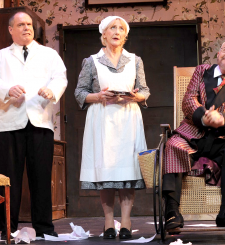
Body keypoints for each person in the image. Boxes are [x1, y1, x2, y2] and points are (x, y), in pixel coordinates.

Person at [0, 12, 67, 240]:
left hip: (40, 121)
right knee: (9, 178)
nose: (27, 28)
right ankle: (7, 228)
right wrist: (7, 91)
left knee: (41, 176)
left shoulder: (48, 54)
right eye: (21, 25)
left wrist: (52, 91)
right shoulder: (1, 57)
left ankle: (44, 228)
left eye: (29, 24)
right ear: (10, 30)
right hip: (10, 122)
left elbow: (60, 77)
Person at [162, 40, 225, 230]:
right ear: (218, 54)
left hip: (222, 137)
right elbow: (189, 100)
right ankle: (172, 213)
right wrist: (204, 118)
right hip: (193, 132)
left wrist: (222, 119)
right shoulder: (202, 70)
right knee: (172, 145)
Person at [74, 16, 150, 239]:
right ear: (103, 34)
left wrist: (137, 97)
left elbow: (145, 90)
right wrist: (98, 96)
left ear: (125, 35)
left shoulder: (135, 60)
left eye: (121, 28)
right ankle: (108, 223)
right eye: (112, 28)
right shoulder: (91, 61)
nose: (117, 31)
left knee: (127, 171)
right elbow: (79, 93)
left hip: (128, 119)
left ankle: (126, 222)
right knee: (106, 172)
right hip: (102, 120)